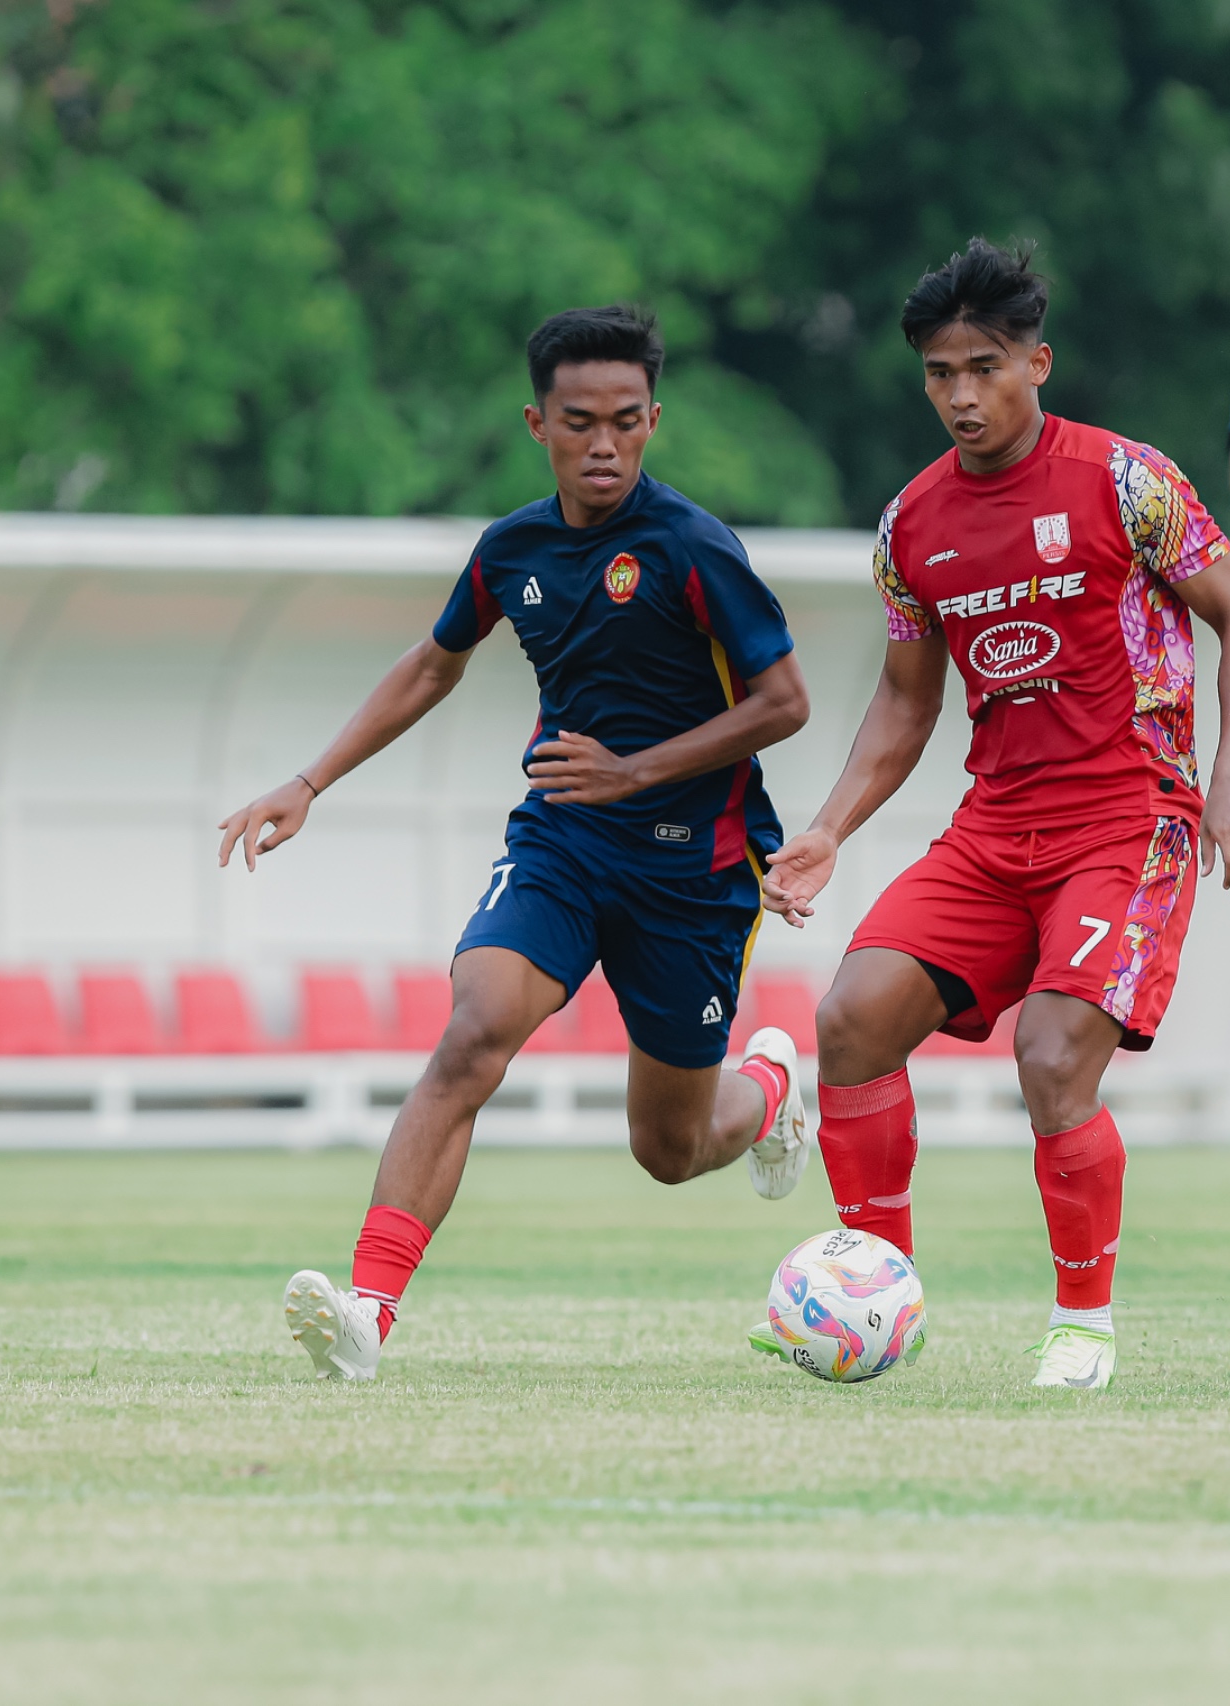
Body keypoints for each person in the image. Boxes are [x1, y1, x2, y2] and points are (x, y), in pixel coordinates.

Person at [221, 305, 816, 1382]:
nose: (604, 445)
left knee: (669, 1150)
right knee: (473, 1031)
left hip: (696, 864)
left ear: (652, 420)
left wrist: (635, 770)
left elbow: (784, 700)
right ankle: (368, 1309)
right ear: (536, 421)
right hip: (564, 843)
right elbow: (431, 663)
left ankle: (769, 1087)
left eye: (626, 423)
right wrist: (309, 780)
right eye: (580, 422)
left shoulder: (691, 547)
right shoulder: (511, 549)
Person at [762, 239, 1230, 1392]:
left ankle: (1082, 1322)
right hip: (995, 832)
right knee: (849, 1018)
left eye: (983, 366)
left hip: (1127, 819)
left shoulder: (1125, 480)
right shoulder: (912, 526)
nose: (959, 394)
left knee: (1049, 1053)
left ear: (1036, 362)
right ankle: (875, 1290)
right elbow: (905, 702)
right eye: (938, 372)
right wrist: (830, 825)